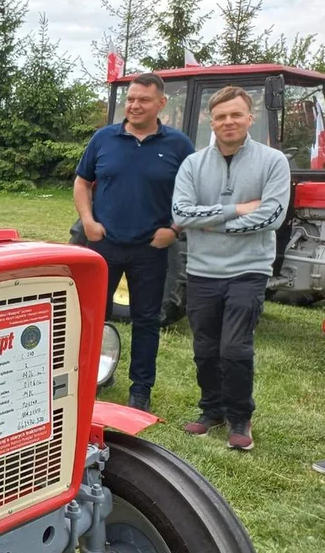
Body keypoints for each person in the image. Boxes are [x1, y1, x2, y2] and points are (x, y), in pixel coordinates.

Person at [172, 86, 291, 451]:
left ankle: (240, 416)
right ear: (211, 119)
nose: (229, 122)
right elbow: (180, 214)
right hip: (203, 271)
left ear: (249, 118)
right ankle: (212, 410)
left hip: (248, 270)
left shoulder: (273, 162)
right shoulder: (193, 164)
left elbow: (272, 215)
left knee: (235, 348)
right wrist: (236, 210)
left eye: (236, 115)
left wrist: (209, 222)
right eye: (221, 116)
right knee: (205, 348)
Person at [73, 73, 195, 412]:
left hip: (151, 249)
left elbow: (193, 193)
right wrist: (87, 221)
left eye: (143, 100)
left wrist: (174, 228)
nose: (135, 105)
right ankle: (93, 378)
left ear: (161, 103)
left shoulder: (178, 145)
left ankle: (140, 390)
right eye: (131, 99)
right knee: (94, 316)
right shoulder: (103, 139)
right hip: (104, 244)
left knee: (146, 320)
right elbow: (83, 182)